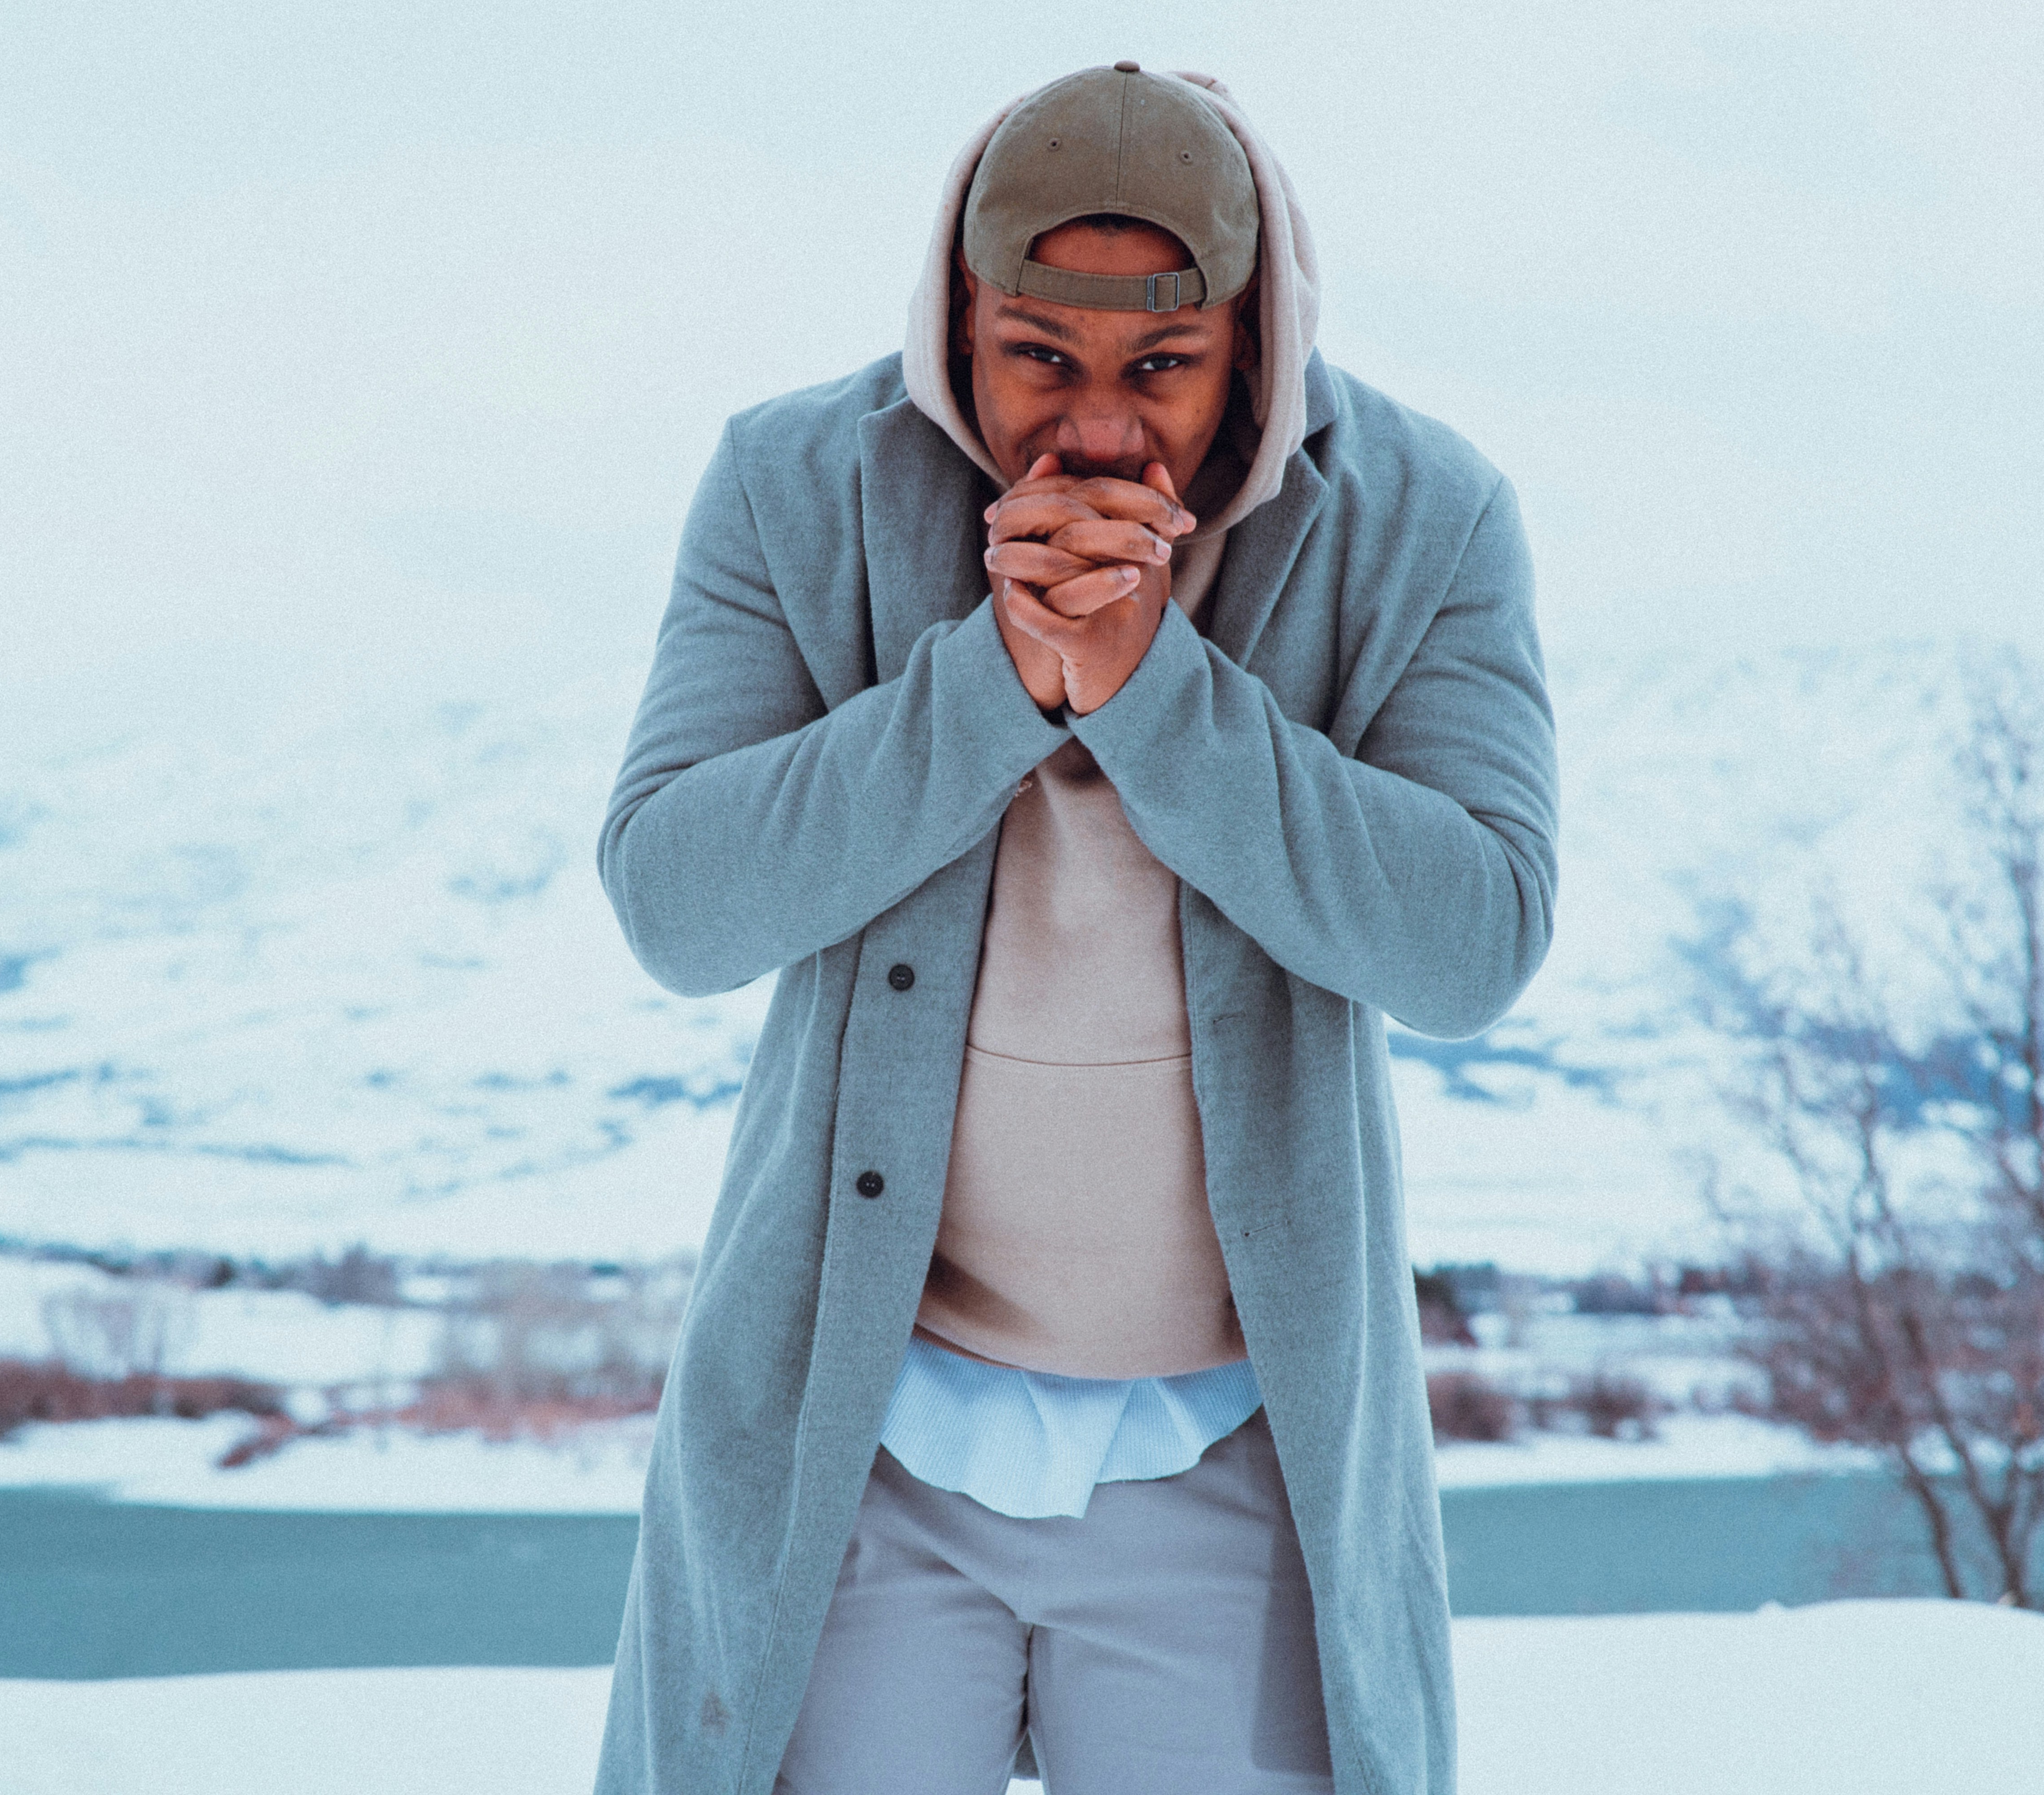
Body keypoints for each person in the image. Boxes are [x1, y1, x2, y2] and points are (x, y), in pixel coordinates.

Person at [595, 62, 1556, 1795]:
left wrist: (1156, 699)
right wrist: (989, 689)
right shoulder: (790, 485)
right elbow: (674, 896)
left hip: (1242, 1461)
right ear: (956, 317)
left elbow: (1475, 939)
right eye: (1041, 356)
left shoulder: (1430, 516)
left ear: (1257, 342)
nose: (1098, 435)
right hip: (858, 1451)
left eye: (1163, 371)